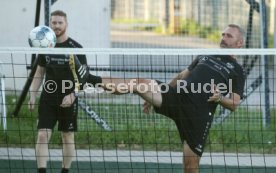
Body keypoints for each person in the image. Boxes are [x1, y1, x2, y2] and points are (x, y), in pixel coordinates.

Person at [72, 24, 246, 173]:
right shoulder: (205, 56)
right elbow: (180, 76)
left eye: (228, 36)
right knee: (138, 84)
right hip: (177, 97)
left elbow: (235, 103)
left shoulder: (237, 70)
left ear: (239, 43)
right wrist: (156, 94)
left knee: (190, 168)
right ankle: (89, 78)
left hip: (197, 115)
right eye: (223, 34)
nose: (223, 38)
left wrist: (219, 98)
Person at [28, 10, 88, 173]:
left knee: (67, 136)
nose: (57, 26)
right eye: (54, 23)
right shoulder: (45, 46)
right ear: (50, 24)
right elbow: (39, 73)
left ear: (66, 24)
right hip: (48, 99)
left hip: (68, 99)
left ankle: (65, 171)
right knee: (42, 135)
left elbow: (83, 79)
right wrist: (32, 94)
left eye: (60, 23)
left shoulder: (76, 48)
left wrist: (73, 95)